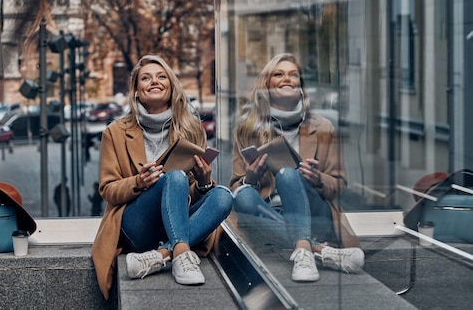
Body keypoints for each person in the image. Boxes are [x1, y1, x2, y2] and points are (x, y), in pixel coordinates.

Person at [91, 54, 233, 299]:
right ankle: (180, 255)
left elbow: (191, 196)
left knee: (222, 195)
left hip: (175, 221)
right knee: (175, 177)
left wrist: (202, 183)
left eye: (161, 76)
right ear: (136, 90)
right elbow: (108, 190)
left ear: (171, 85)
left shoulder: (191, 128)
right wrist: (138, 182)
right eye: (146, 78)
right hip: (136, 224)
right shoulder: (114, 132)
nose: (154, 82)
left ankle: (162, 255)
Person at [230, 53, 364, 283]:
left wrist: (317, 178)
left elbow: (339, 185)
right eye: (279, 74)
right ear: (267, 84)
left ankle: (305, 249)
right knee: (243, 197)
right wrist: (249, 179)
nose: (287, 79)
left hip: (314, 213)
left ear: (301, 86)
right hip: (269, 215)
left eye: (294, 75)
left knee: (288, 175)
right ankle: (318, 251)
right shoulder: (248, 128)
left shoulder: (322, 126)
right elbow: (235, 187)